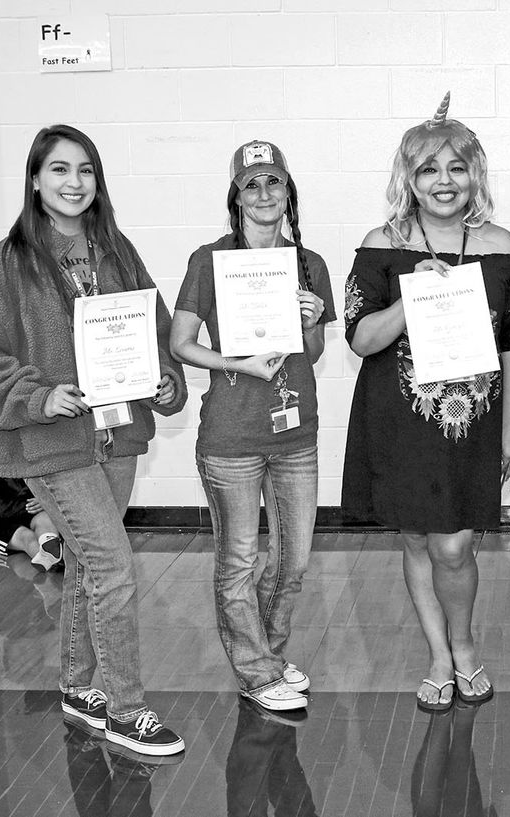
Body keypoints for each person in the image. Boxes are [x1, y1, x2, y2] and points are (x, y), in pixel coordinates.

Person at [0, 124, 187, 755]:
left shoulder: (117, 250)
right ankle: (125, 708)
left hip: (117, 435)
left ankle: (78, 689)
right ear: (34, 180)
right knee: (111, 565)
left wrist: (165, 378)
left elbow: (155, 329)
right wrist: (38, 395)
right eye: (59, 170)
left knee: (83, 566)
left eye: (85, 171)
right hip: (52, 442)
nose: (74, 183)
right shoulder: (9, 262)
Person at [341, 94, 510, 712]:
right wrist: (409, 297)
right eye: (429, 169)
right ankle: (437, 656)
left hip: (474, 423)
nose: (443, 182)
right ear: (410, 179)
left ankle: (467, 644)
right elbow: (359, 338)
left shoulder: (501, 246)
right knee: (418, 541)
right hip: (399, 421)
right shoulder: (381, 243)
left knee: (455, 544)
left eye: (456, 167)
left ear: (473, 174)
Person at [170, 141, 333, 713]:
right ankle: (256, 671)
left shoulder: (309, 263)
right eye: (252, 184)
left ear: (289, 192)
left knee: (294, 561)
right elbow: (181, 342)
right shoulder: (208, 260)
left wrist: (311, 322)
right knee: (239, 560)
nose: (264, 194)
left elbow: (310, 354)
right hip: (231, 439)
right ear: (236, 195)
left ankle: (268, 655)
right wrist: (233, 362)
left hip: (295, 435)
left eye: (274, 183)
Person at [0, 476, 64, 570]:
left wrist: (44, 499)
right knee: (26, 537)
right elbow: (3, 509)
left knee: (43, 518)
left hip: (21, 505)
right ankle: (56, 560)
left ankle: (49, 543)